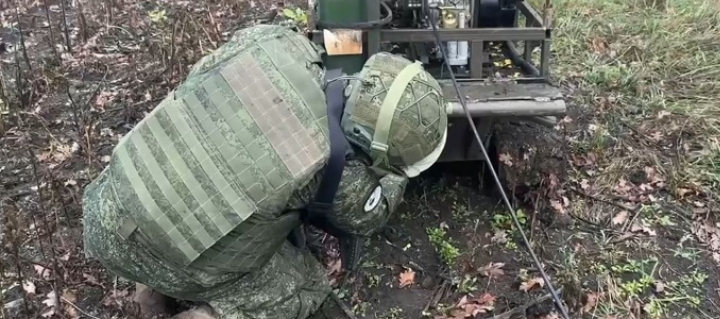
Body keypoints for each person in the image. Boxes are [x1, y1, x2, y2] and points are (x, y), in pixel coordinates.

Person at [82, 24, 449, 319]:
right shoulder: (339, 171)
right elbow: (367, 218)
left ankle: (148, 294)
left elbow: (199, 78)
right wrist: (396, 175)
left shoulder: (274, 40)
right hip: (161, 257)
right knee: (305, 287)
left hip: (107, 208)